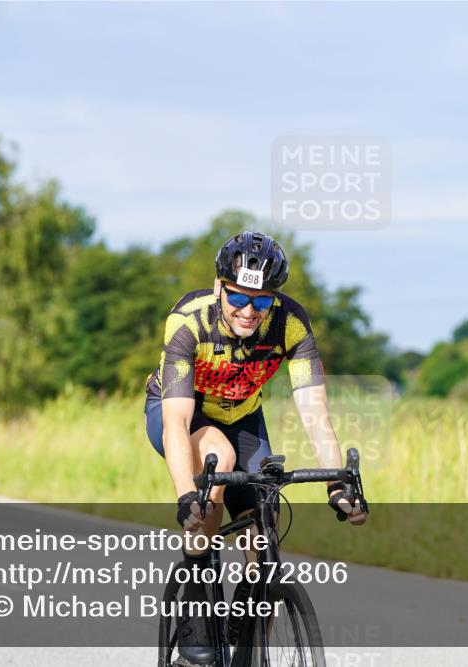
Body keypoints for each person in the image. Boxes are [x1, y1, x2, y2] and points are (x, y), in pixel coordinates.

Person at [144, 230, 366, 666]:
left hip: (243, 416)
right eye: (239, 298)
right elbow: (176, 420)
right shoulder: (190, 321)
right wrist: (187, 495)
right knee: (219, 462)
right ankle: (195, 599)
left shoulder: (292, 323)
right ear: (219, 287)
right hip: (185, 412)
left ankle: (248, 634)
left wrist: (337, 485)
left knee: (265, 516)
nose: (249, 311)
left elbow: (315, 412)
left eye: (261, 301)